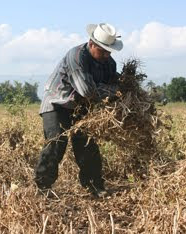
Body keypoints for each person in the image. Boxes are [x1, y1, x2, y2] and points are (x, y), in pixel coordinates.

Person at [35, 23, 123, 198]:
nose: (106, 55)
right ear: (91, 44)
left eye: (109, 52)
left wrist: (119, 88)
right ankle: (43, 188)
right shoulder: (76, 57)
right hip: (57, 103)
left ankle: (94, 185)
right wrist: (114, 92)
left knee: (87, 144)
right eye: (103, 50)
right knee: (56, 143)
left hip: (81, 106)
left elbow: (114, 83)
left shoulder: (108, 63)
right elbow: (87, 91)